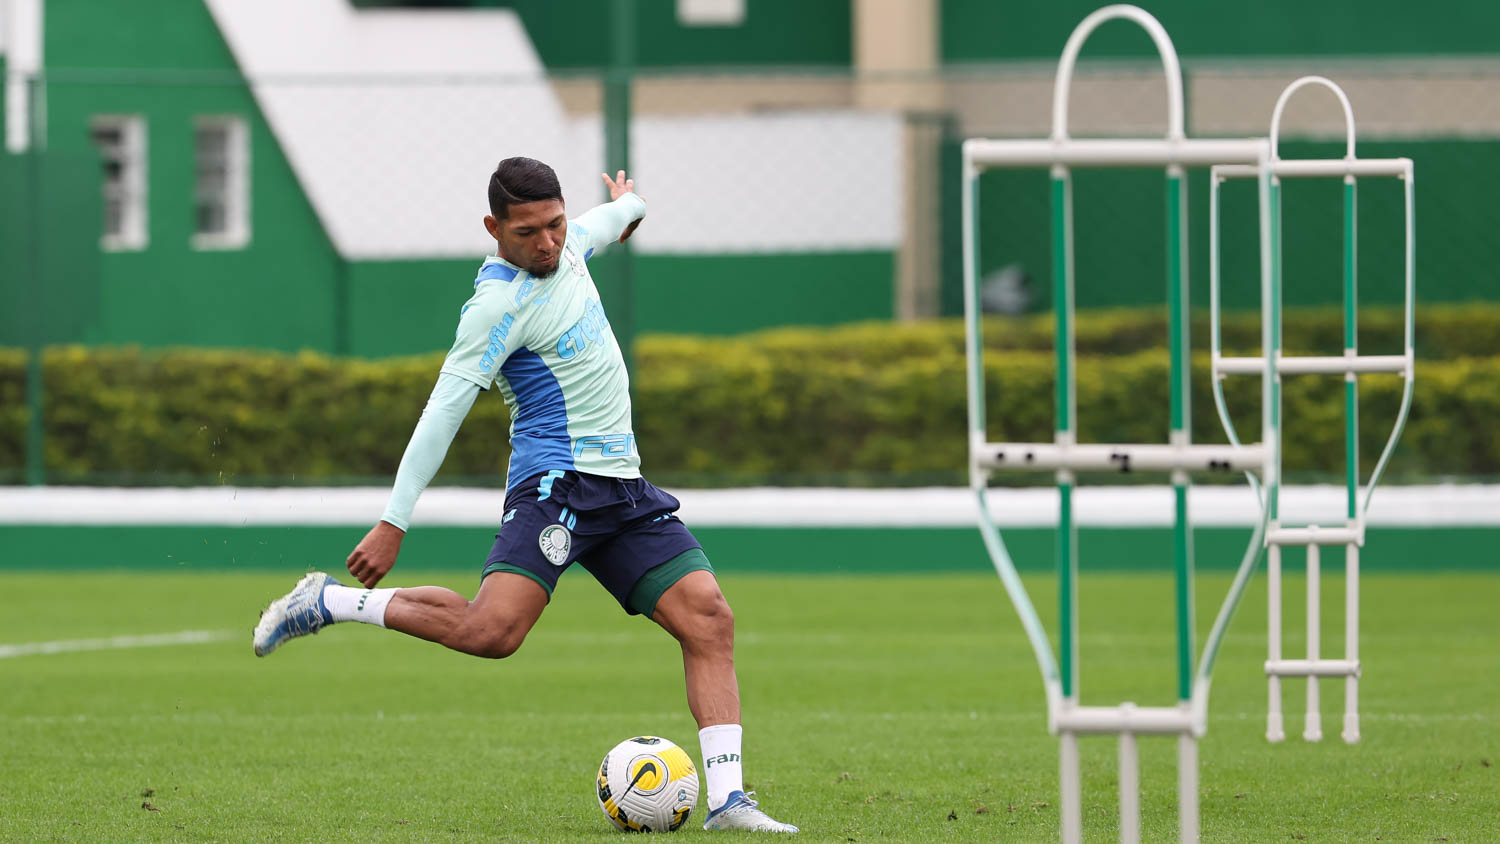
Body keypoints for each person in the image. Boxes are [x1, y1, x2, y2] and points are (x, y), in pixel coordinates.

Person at [252, 157, 797, 834]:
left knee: (709, 618)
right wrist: (394, 519)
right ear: (495, 228)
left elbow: (612, 219)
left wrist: (631, 206)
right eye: (530, 231)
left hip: (623, 490)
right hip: (555, 489)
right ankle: (328, 601)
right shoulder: (495, 309)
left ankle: (730, 803)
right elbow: (441, 412)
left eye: (556, 225)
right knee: (493, 633)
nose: (548, 243)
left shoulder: (572, 248)